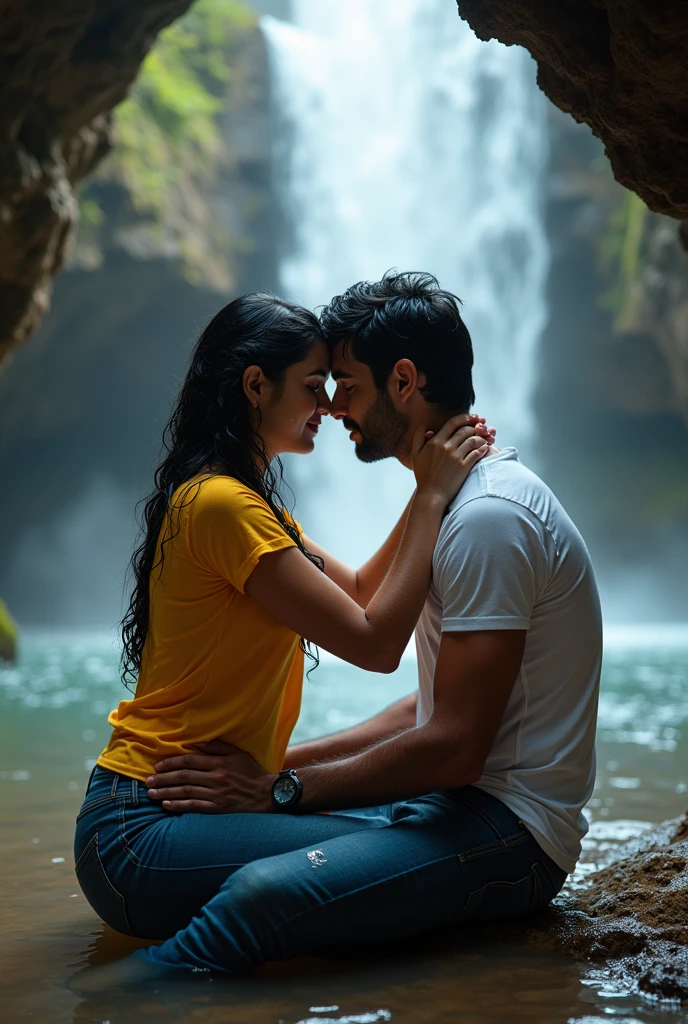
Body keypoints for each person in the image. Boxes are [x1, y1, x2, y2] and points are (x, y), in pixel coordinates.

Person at [74, 272, 602, 990]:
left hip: (167, 807)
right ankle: (100, 1004)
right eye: (317, 384)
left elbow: (359, 595)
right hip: (148, 815)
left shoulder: (472, 517)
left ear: (406, 381)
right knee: (362, 840)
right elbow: (377, 638)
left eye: (342, 382)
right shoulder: (227, 505)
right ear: (258, 387)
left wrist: (279, 781)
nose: (331, 404)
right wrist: (431, 493)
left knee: (367, 838)